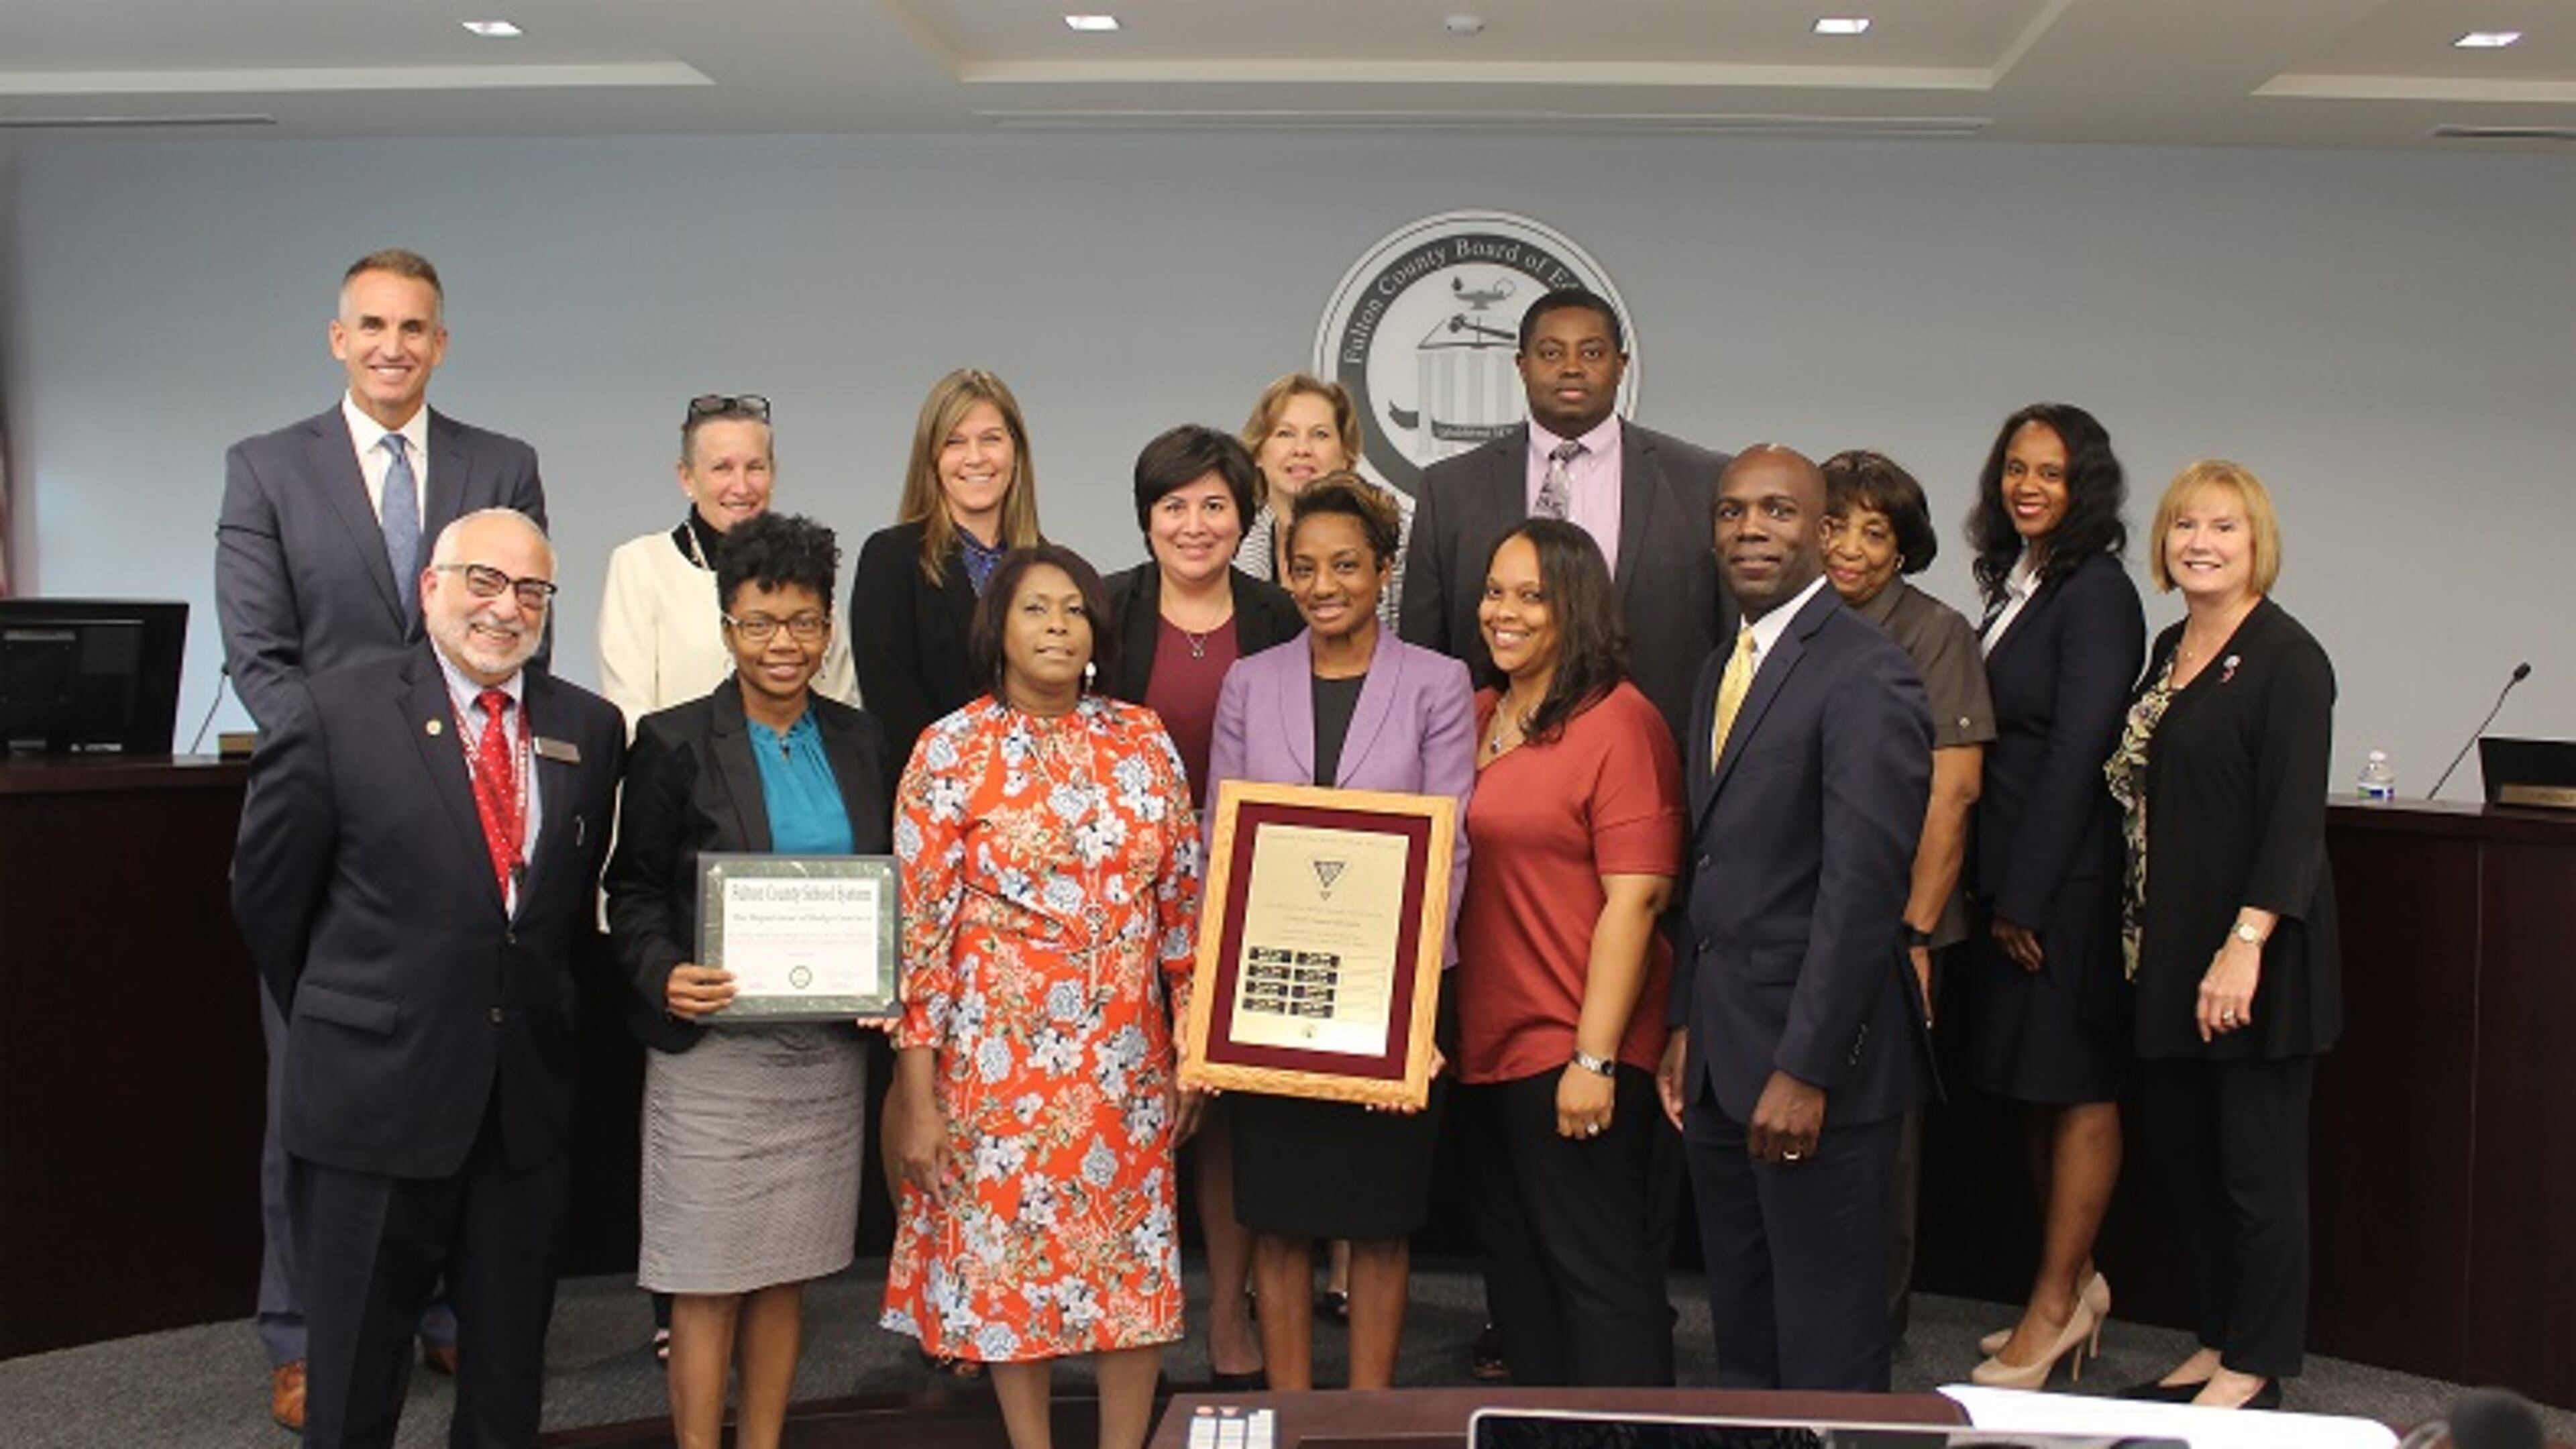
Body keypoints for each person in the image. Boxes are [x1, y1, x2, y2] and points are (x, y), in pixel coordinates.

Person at [215, 248, 537, 1428]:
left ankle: (441, 1313)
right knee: (315, 1078)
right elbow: (261, 655)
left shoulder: (501, 464)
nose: (396, 343)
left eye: (417, 326)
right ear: (337, 338)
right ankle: (303, 1328)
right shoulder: (268, 470)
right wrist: (363, 763)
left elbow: (516, 632)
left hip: (472, 821)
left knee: (462, 1067)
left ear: (442, 343)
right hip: (329, 811)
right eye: (374, 325)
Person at [229, 508, 625, 1448]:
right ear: (431, 588)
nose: (506, 608)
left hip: (519, 1110)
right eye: (483, 582)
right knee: (357, 1383)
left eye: (531, 590)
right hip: (376, 1105)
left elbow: (553, 914)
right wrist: (357, 1017)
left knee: (505, 1384)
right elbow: (268, 905)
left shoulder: (590, 727)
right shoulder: (332, 711)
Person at [879, 545, 1202, 1449]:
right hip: (995, 1067)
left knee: (1127, 1269)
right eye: (1035, 610)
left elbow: (1183, 910)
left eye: (1073, 609)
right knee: (1009, 1272)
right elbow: (921, 935)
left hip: (1127, 1065)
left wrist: (1195, 1060)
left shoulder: (1143, 738)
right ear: (999, 630)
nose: (1058, 626)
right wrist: (915, 1092)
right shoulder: (949, 749)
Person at [604, 513, 892, 1449]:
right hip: (714, 1057)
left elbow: (890, 880)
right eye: (761, 623)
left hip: (822, 1057)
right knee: (705, 1276)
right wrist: (662, 974)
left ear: (828, 626)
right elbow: (634, 888)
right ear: (727, 627)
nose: (784, 645)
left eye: (805, 623)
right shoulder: (675, 740)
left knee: (786, 1271)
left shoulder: (862, 741)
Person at [1658, 445, 1933, 1392]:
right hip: (1725, 1060)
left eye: (1777, 511)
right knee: (1746, 1332)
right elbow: (1715, 867)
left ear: (1821, 534)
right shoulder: (1718, 669)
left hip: (1817, 1073)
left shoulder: (1868, 673)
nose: (1750, 529)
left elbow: (1862, 894)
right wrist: (1687, 1020)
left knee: (1827, 1347)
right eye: (1732, 512)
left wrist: (1807, 1068)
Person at [1204, 478, 1476, 1390]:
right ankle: (1290, 1416)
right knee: (1279, 1219)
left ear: (1385, 572)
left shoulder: (1438, 685)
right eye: (1305, 566)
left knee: (1379, 1220)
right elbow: (1222, 843)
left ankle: (1369, 1416)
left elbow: (1452, 845)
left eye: (1347, 565)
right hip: (1275, 992)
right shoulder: (1251, 680)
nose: (1324, 584)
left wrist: (1412, 1017)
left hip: (1387, 1000)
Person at [2109, 461, 2339, 1412]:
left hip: (2254, 965)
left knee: (2256, 1176)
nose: (2200, 543)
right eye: (2184, 527)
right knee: (2188, 1164)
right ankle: (2217, 1340)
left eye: (2224, 529)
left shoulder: (2289, 657)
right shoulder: (2170, 647)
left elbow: (2295, 824)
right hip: (2163, 958)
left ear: (2258, 547)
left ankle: (2259, 1361)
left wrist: (2244, 945)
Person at [1454, 518, 1682, 1387]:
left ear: (1575, 609)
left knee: (1602, 1282)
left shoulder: (1621, 724)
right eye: (1494, 591)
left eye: (1529, 596)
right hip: (1484, 1051)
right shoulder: (1476, 714)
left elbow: (1638, 901)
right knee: (1519, 1286)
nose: (1501, 613)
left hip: (1571, 1048)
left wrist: (1593, 1057)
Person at [1101, 423, 1301, 1389]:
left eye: (1215, 504)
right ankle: (1110, 1308)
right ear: (1146, 520)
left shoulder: (1277, 614)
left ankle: (1227, 1313)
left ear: (1244, 516)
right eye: (1174, 505)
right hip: (1119, 902)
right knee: (1119, 1103)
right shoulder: (1104, 609)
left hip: (1247, 895)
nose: (1195, 523)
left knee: (1225, 1117)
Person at [1960, 403, 2146, 1388]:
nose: (2029, 486)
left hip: (2062, 886)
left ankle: (2056, 1305)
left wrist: (2025, 896)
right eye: (2017, 469)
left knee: (2076, 1087)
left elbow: (2082, 751)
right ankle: (2072, 1288)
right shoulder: (2021, 584)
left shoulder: (2099, 593)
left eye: (2053, 473)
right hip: (2015, 883)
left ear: (2088, 489)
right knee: (2033, 1090)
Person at [1817, 449, 1996, 1333]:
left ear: (1903, 547)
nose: (1848, 548)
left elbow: (1952, 795)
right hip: (1800, 921)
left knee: (1880, 1143)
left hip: (1895, 929)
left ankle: (1870, 1334)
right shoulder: (1790, 623)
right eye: (1833, 525)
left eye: (1873, 532)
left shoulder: (1935, 633)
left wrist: (1917, 937)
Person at [1399, 286, 1732, 749]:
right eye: (1551, 353)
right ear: (1521, 365)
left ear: (1621, 364)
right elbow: (1424, 656)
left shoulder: (1702, 481)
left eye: (1592, 352)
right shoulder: (1450, 490)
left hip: (1657, 760)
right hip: (1490, 767)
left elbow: (1730, 647)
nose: (1572, 367)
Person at [598, 394, 857, 735]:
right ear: (686, 477)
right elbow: (630, 714)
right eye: (722, 468)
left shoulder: (807, 568)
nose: (742, 486)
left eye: (755, 467)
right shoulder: (641, 565)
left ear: (773, 474)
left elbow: (840, 704)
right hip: (681, 778)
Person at [850, 368, 1042, 786]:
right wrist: (981, 788)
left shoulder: (1053, 569)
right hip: (935, 801)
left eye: (991, 439)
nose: (975, 458)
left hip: (1041, 808)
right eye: (954, 442)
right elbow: (893, 709)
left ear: (1016, 450)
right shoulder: (891, 559)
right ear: (931, 458)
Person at [1234, 373, 1413, 627]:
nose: (1302, 449)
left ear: (1346, 455)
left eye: (1320, 435)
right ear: (1258, 453)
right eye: (1285, 434)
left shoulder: (1400, 536)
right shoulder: (1233, 541)